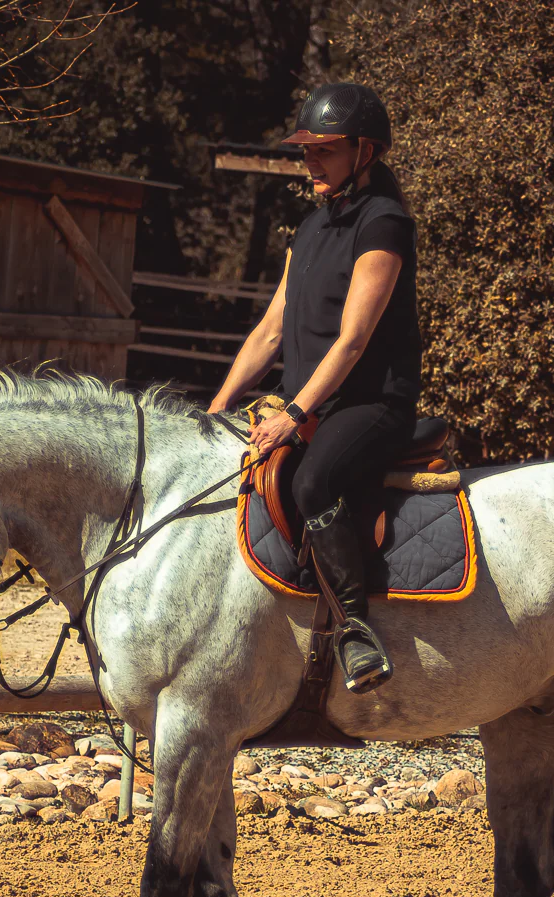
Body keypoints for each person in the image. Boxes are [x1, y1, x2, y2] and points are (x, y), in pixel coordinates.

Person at [208, 83, 422, 692]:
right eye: (308, 149)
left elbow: (353, 340)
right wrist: (219, 406)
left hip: (371, 404)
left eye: (325, 149)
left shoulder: (384, 224)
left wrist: (297, 412)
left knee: (313, 479)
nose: (311, 161)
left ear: (365, 152)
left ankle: (356, 629)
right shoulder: (308, 226)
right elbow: (271, 329)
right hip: (311, 403)